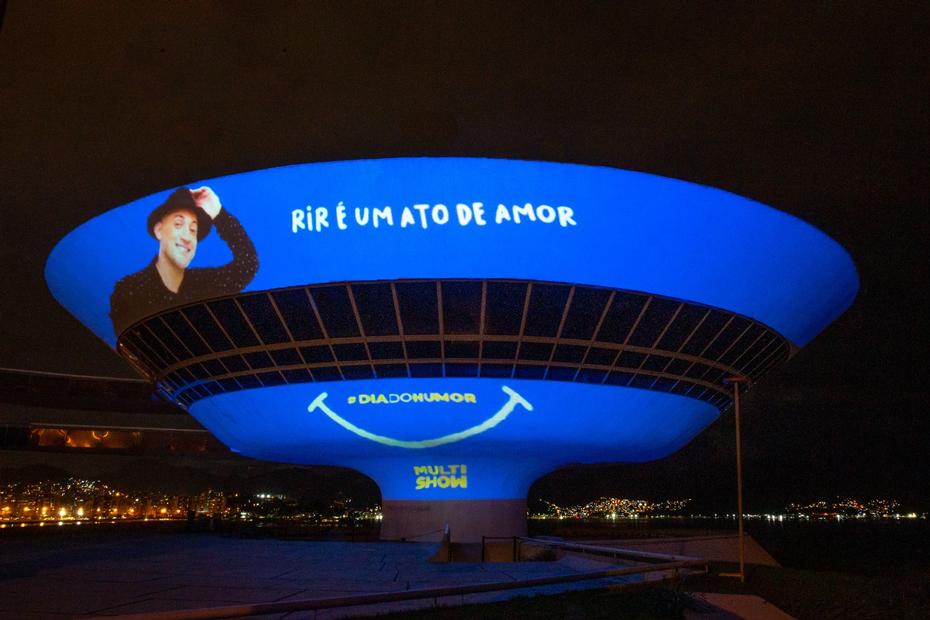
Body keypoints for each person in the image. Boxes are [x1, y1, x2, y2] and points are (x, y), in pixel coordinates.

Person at [109, 186, 258, 338]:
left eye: (193, 230)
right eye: (178, 224)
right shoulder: (129, 291)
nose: (187, 237)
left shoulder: (204, 284)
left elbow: (247, 264)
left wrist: (219, 214)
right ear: (158, 230)